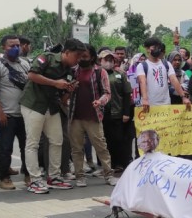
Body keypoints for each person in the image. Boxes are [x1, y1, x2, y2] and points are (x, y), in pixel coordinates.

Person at [21, 38, 90, 193]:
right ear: (66, 52)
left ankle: (54, 177)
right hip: (34, 104)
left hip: (52, 107)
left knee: (57, 140)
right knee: (33, 143)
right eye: (77, 55)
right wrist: (55, 83)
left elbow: (63, 98)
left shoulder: (71, 72)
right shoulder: (47, 58)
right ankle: (35, 180)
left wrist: (68, 90)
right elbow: (31, 75)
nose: (78, 60)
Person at [66, 49, 118, 187]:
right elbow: (65, 90)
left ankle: (108, 175)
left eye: (85, 56)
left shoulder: (100, 72)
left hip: (93, 116)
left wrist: (100, 102)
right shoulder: (73, 71)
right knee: (76, 149)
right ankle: (80, 176)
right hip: (75, 116)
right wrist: (69, 89)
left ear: (92, 57)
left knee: (101, 147)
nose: (82, 59)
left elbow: (107, 93)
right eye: (80, 56)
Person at [0, 34, 30, 190]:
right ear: (4, 47)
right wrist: (0, 112)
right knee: (6, 148)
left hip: (25, 115)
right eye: (12, 46)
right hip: (7, 116)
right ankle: (4, 177)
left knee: (28, 147)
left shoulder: (25, 64)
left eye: (18, 45)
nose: (16, 48)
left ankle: (28, 174)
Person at [100, 50, 135, 175]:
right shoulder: (97, 74)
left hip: (118, 112)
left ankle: (120, 164)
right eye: (105, 60)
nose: (108, 62)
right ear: (100, 61)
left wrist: (126, 113)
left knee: (119, 139)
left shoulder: (120, 74)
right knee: (105, 141)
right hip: (102, 113)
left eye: (111, 60)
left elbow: (127, 94)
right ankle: (108, 165)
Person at [137, 37, 191, 110]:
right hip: (148, 105)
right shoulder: (142, 66)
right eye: (154, 47)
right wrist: (145, 99)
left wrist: (183, 97)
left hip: (166, 104)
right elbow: (142, 82)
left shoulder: (167, 64)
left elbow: (174, 80)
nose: (157, 49)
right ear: (147, 49)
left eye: (158, 47)